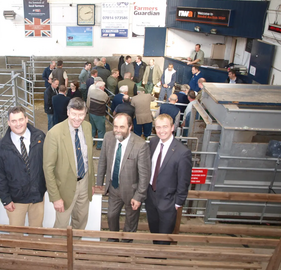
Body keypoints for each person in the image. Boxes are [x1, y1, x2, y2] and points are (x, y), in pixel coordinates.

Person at [97, 113, 150, 242]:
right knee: (111, 215)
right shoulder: (108, 137)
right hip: (113, 188)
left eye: (122, 127)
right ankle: (113, 238)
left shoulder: (140, 145)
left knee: (131, 220)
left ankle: (127, 242)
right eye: (115, 126)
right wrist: (99, 182)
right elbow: (102, 160)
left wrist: (139, 196)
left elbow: (144, 175)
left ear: (130, 127)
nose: (117, 130)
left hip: (132, 191)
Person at [43, 97, 95, 230]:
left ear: (85, 113)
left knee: (81, 220)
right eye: (74, 114)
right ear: (68, 112)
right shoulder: (54, 134)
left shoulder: (88, 127)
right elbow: (48, 168)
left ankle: (75, 248)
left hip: (84, 183)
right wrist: (55, 197)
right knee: (61, 225)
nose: (77, 118)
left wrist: (91, 183)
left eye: (81, 114)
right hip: (64, 188)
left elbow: (89, 158)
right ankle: (58, 251)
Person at [0, 106, 46, 227]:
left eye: (21, 119)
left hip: (37, 197)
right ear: (8, 123)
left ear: (27, 119)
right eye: (14, 121)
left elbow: (47, 164)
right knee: (16, 235)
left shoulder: (40, 137)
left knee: (37, 232)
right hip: (15, 200)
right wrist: (5, 199)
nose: (18, 124)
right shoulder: (1, 147)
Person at [145, 114, 192, 244]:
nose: (161, 130)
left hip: (168, 201)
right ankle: (155, 256)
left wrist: (178, 202)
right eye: (158, 127)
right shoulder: (153, 142)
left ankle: (161, 260)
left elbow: (184, 180)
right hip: (151, 198)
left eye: (165, 127)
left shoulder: (183, 152)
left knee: (164, 237)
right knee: (153, 231)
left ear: (172, 127)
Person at [87, 81, 109, 150]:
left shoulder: (91, 91)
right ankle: (100, 145)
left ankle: (91, 142)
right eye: (104, 86)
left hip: (91, 112)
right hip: (99, 114)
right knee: (101, 130)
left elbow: (88, 101)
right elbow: (107, 101)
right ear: (100, 87)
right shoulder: (104, 94)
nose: (104, 87)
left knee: (92, 129)